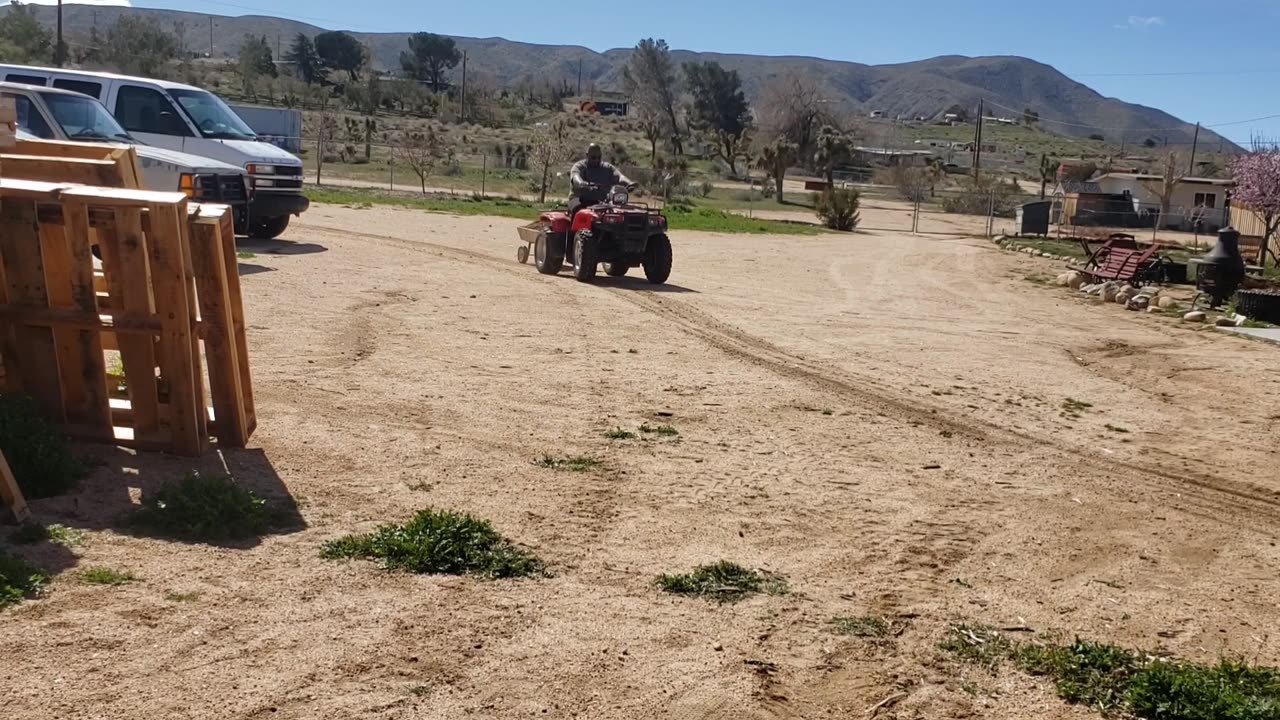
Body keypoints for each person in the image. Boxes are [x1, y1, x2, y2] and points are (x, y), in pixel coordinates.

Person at [568, 143, 636, 219]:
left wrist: (629, 182)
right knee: (579, 211)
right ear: (587, 155)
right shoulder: (579, 166)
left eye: (599, 157)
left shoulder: (607, 168)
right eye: (593, 157)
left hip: (603, 201)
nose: (596, 160)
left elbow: (619, 176)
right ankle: (574, 230)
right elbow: (576, 178)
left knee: (618, 213)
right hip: (581, 200)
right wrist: (582, 183)